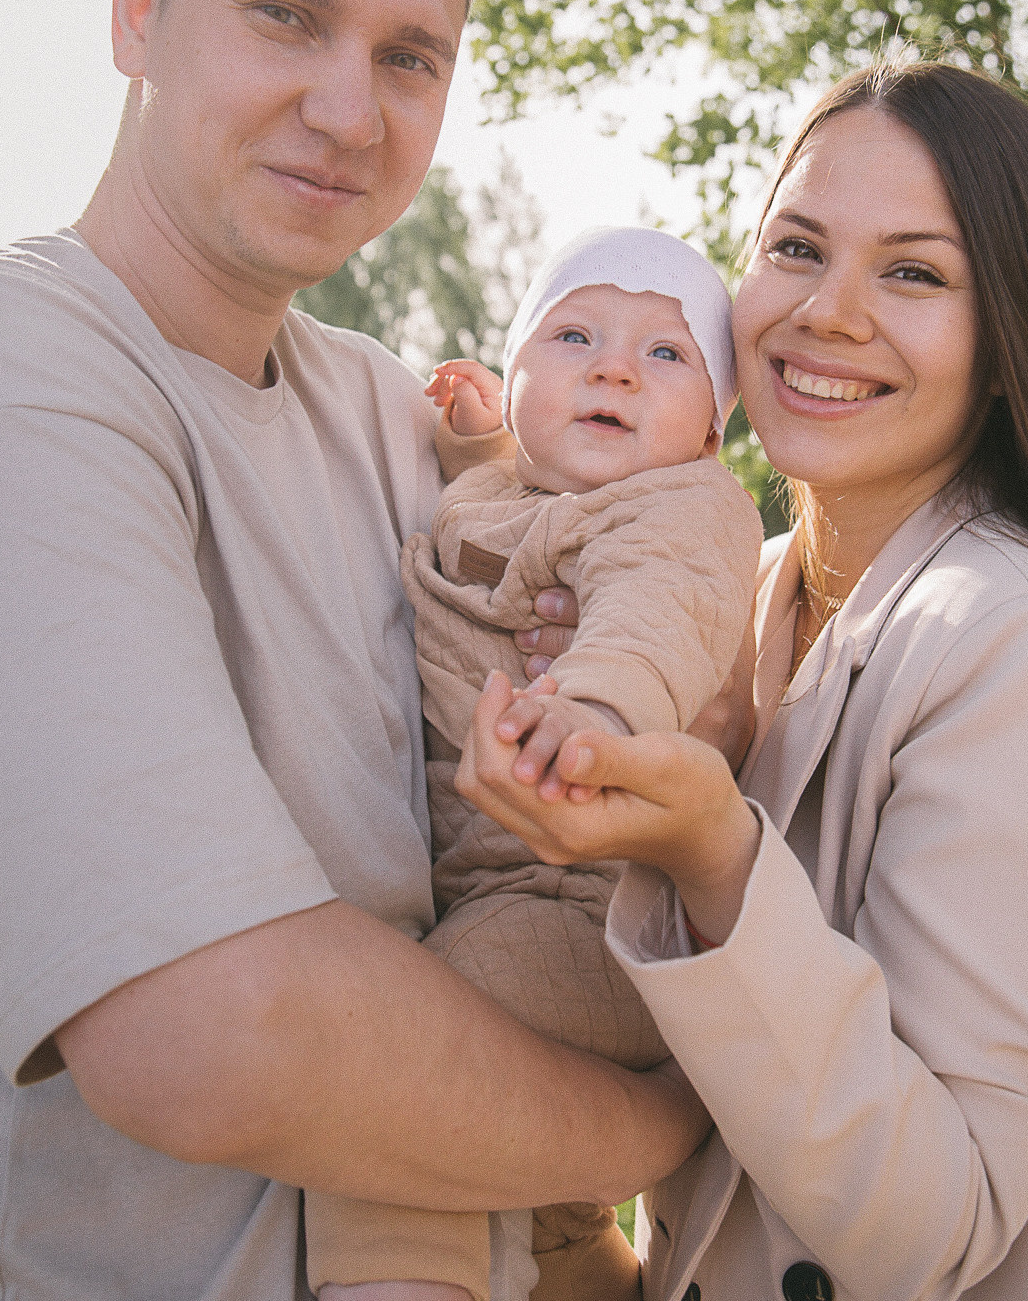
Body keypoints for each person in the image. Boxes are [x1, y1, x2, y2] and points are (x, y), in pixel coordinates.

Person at [0, 0, 708, 1301]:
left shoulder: (397, 417)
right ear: (136, 13)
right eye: (285, 15)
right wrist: (657, 1127)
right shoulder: (19, 375)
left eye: (411, 56)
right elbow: (212, 1038)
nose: (347, 110)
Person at [455, 60, 1028, 1300]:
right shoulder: (724, 599)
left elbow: (937, 1228)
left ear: (1014, 334)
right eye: (795, 248)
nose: (826, 313)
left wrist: (711, 858)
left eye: (912, 272)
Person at [304, 227, 762, 1301]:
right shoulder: (507, 493)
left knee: (407, 1063)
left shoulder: (683, 507)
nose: (611, 367)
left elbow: (657, 611)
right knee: (534, 1192)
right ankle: (587, 1276)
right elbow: (504, 507)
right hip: (504, 893)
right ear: (516, 381)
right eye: (573, 336)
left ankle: (394, 1285)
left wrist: (595, 710)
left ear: (709, 434)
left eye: (666, 354)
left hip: (591, 906)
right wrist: (473, 442)